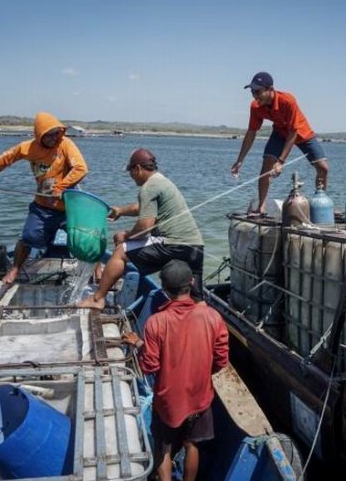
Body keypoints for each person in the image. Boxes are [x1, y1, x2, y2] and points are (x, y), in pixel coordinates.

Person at [122, 259, 229, 481]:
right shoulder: (212, 317)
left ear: (163, 289)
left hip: (168, 402)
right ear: (191, 282)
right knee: (192, 445)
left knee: (165, 449)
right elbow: (221, 360)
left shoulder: (156, 322)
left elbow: (149, 365)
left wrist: (139, 344)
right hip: (200, 397)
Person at [79, 148, 204, 310]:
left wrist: (127, 236)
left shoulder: (148, 187)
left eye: (131, 171)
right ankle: (206, 323)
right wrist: (121, 211)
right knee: (197, 299)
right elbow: (143, 208)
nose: (131, 176)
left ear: (137, 168)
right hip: (196, 247)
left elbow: (145, 227)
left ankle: (97, 299)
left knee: (119, 252)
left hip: (173, 244)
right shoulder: (163, 182)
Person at [0, 112, 88, 284]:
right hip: (43, 206)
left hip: (70, 206)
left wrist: (60, 187)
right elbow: (5, 158)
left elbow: (80, 168)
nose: (55, 137)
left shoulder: (66, 144)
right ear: (40, 135)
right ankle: (15, 269)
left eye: (58, 132)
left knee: (86, 239)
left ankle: (97, 269)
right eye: (50, 134)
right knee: (28, 237)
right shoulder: (28, 148)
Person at [230, 71, 330, 214]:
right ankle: (261, 207)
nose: (255, 96)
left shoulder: (288, 100)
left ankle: (319, 205)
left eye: (258, 91)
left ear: (270, 89)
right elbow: (251, 133)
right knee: (267, 165)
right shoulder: (256, 106)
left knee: (323, 168)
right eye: (252, 92)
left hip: (301, 132)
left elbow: (293, 133)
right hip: (279, 133)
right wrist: (240, 160)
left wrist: (281, 162)